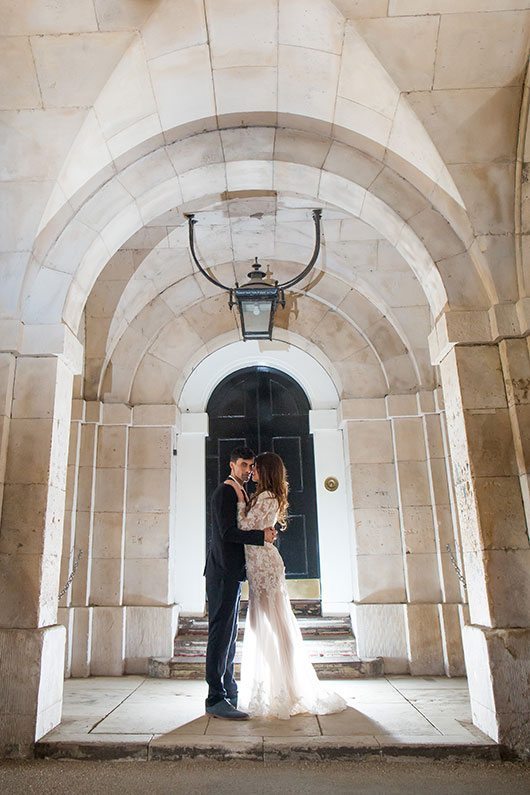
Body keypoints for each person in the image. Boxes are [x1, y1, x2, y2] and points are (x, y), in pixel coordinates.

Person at [229, 451, 347, 719]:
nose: (252, 471)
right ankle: (278, 684)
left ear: (266, 471)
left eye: (256, 467)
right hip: (259, 563)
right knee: (263, 624)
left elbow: (245, 525)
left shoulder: (267, 496)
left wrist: (239, 500)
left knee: (273, 624)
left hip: (265, 565)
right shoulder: (265, 495)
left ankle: (289, 687)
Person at [204, 446, 277, 720]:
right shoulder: (225, 492)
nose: (248, 471)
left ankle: (229, 688)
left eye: (251, 466)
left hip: (233, 572)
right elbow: (227, 533)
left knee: (230, 635)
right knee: (220, 634)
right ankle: (215, 698)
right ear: (232, 465)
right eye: (244, 465)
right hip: (222, 571)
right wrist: (262, 537)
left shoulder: (242, 491)